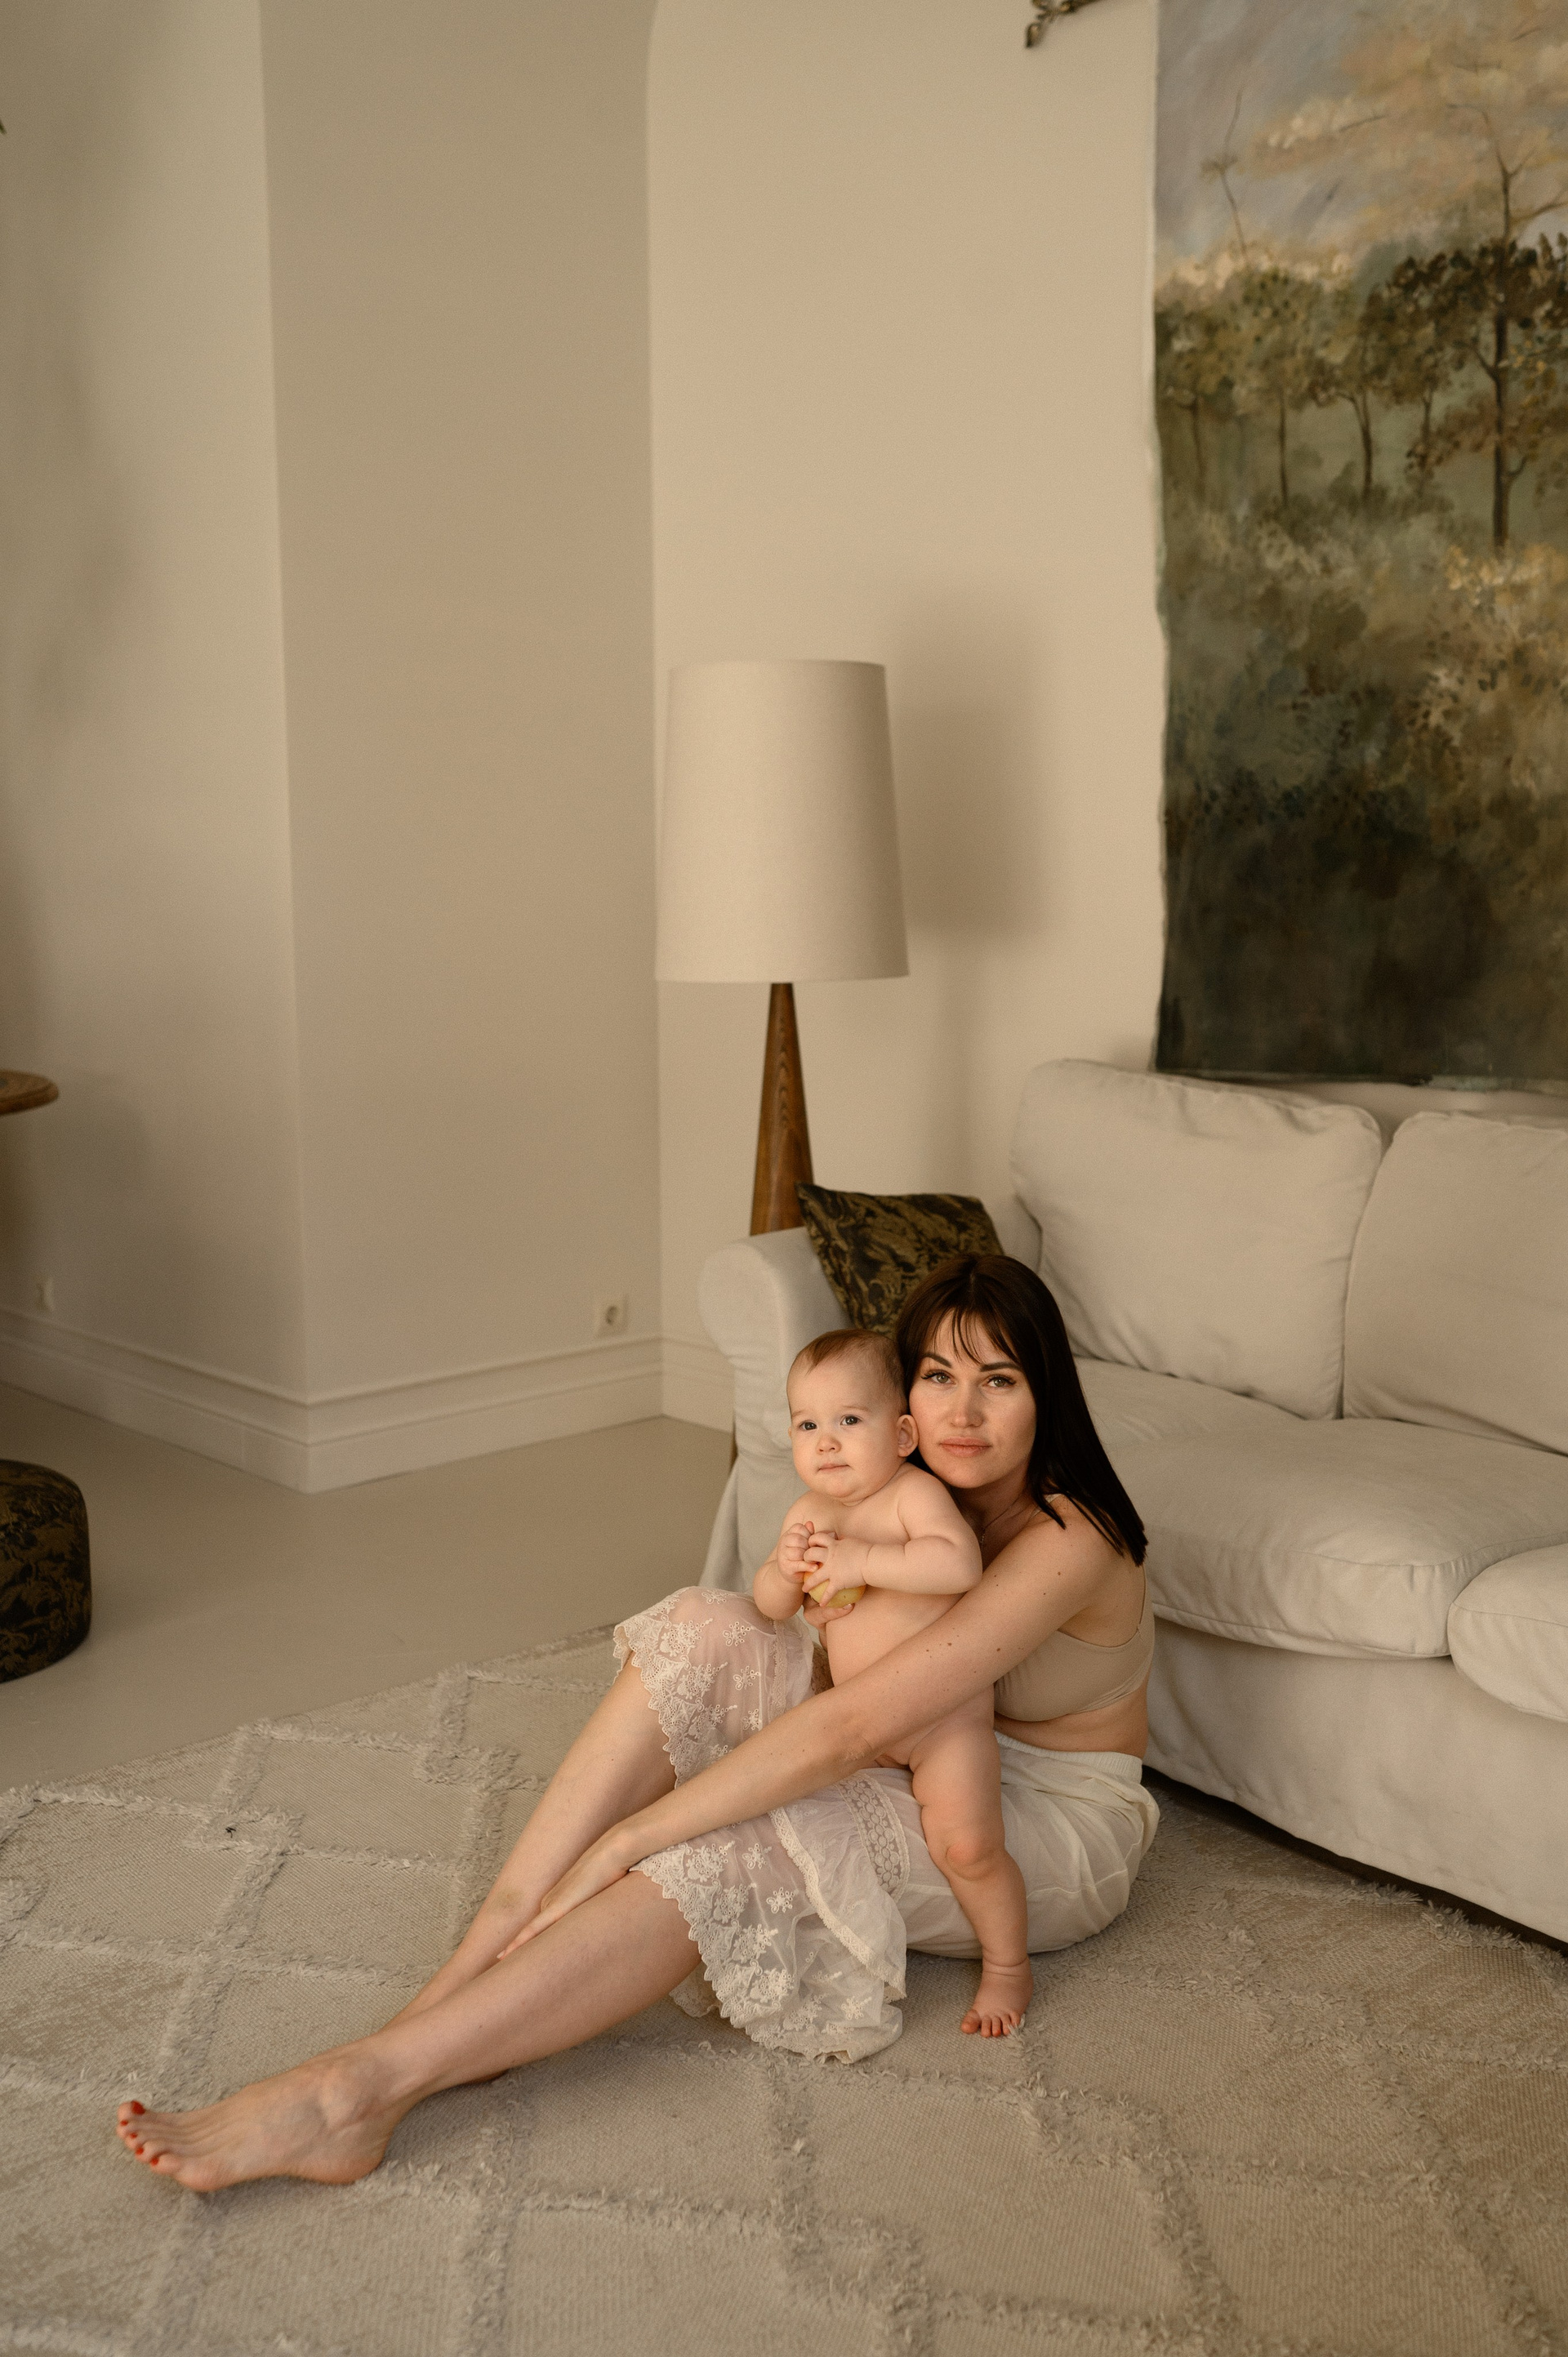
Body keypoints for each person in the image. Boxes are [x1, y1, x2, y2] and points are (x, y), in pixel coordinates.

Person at [116, 1254, 1156, 2194]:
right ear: (902, 1402)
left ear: (1046, 1393)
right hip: (907, 1746)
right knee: (707, 1626)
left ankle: (358, 2094)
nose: (964, 1411)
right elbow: (810, 1631)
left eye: (1000, 1381)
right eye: (938, 1376)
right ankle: (456, 1985)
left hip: (1037, 1822)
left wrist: (634, 1836)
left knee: (732, 1840)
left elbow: (848, 1728)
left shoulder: (1070, 1538)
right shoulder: (909, 1488)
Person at [754, 1325, 1029, 2035]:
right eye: (808, 1425)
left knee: (968, 1847)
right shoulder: (810, 1513)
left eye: (849, 1420)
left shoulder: (913, 1496)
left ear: (903, 1434)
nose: (827, 1443)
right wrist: (784, 1572)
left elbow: (958, 1565)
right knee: (801, 1823)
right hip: (862, 1726)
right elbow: (771, 1606)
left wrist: (863, 1562)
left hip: (943, 1724)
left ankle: (1007, 1966)